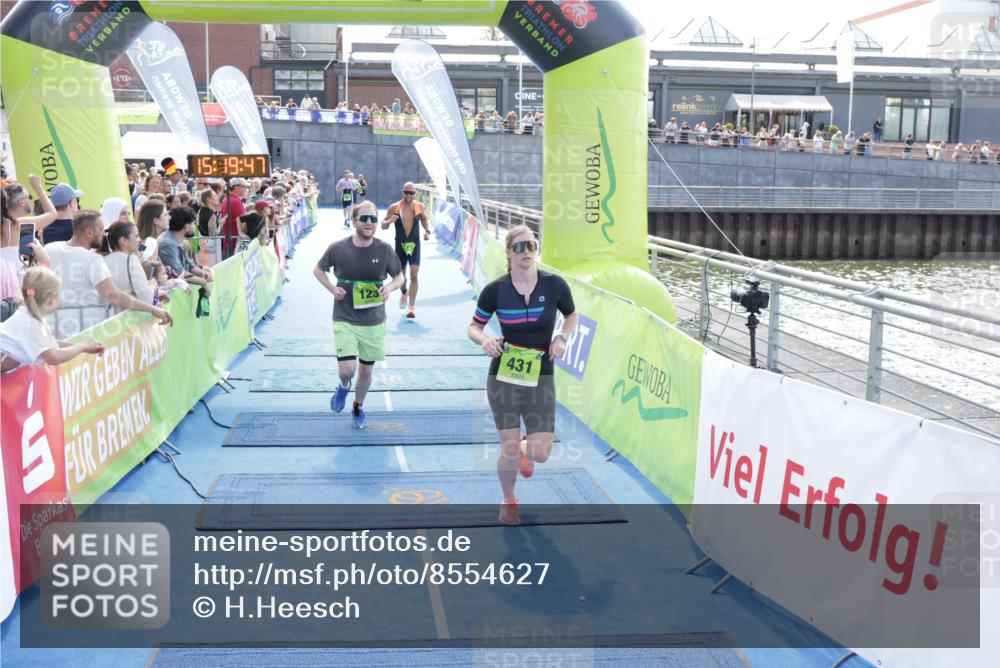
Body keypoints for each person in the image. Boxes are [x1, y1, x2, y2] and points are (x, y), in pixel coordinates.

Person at [467, 225, 578, 526]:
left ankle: (526, 450)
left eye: (531, 245)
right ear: (509, 252)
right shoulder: (496, 290)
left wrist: (561, 339)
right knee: (509, 447)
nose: (527, 251)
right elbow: (474, 327)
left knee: (541, 453)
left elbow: (571, 315)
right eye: (519, 247)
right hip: (503, 378)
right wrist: (485, 341)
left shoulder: (555, 285)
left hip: (541, 377)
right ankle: (508, 500)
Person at [312, 201, 404, 429]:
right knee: (347, 369)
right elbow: (318, 269)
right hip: (344, 318)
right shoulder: (338, 247)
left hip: (373, 321)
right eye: (364, 218)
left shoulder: (384, 249)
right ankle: (343, 387)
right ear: (354, 222)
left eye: (373, 219)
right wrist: (332, 288)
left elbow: (399, 277)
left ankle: (358, 406)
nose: (369, 223)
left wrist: (389, 288)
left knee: (365, 370)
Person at [44, 210, 172, 338]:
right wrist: (153, 309)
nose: (103, 234)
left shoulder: (49, 249)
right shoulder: (93, 260)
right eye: (100, 229)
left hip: (53, 329)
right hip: (84, 334)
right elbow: (116, 296)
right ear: (89, 232)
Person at [0, 267, 106, 372]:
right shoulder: (32, 323)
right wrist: (83, 346)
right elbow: (53, 357)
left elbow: (48, 344)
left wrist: (84, 347)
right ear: (51, 300)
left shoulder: (26, 315)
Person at [382, 183, 431, 318]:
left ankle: (411, 307)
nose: (409, 195)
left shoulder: (419, 206)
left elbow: (424, 219)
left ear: (415, 193)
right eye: (406, 192)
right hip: (400, 245)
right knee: (401, 275)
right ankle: (404, 293)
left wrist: (427, 231)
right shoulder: (395, 207)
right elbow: (382, 226)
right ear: (403, 192)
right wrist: (390, 221)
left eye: (411, 193)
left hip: (415, 245)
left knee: (414, 275)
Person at [157, 207, 213, 293]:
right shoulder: (167, 244)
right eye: (193, 223)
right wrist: (203, 282)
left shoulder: (179, 240)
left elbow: (190, 265)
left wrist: (202, 273)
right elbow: (179, 273)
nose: (194, 226)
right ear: (186, 227)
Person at [103, 221, 154, 308]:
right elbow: (146, 298)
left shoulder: (103, 261)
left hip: (108, 317)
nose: (140, 240)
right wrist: (153, 286)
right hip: (128, 317)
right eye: (136, 236)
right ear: (124, 241)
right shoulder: (131, 260)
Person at [220, 178, 249, 257]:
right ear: (236, 187)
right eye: (244, 186)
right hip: (235, 244)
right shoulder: (235, 201)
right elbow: (244, 221)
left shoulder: (228, 199)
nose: (246, 189)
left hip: (232, 243)